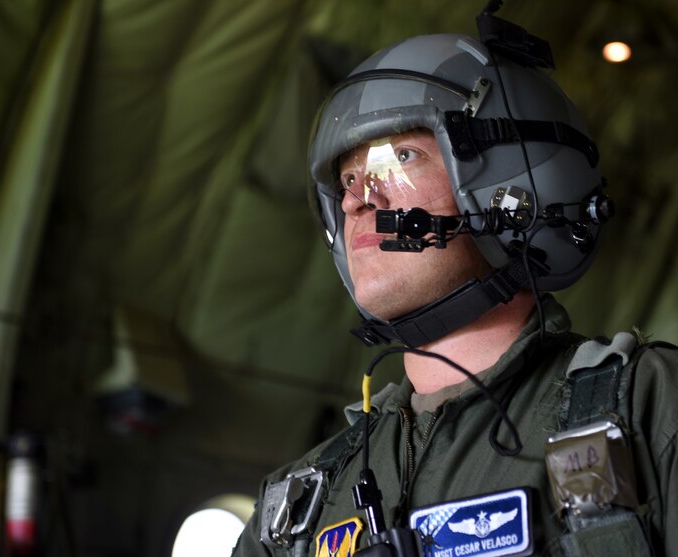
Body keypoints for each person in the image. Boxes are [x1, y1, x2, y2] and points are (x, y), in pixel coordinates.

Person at [232, 26, 678, 557]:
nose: (355, 201)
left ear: (510, 186)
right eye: (347, 180)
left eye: (398, 158)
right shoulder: (294, 511)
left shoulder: (649, 409)